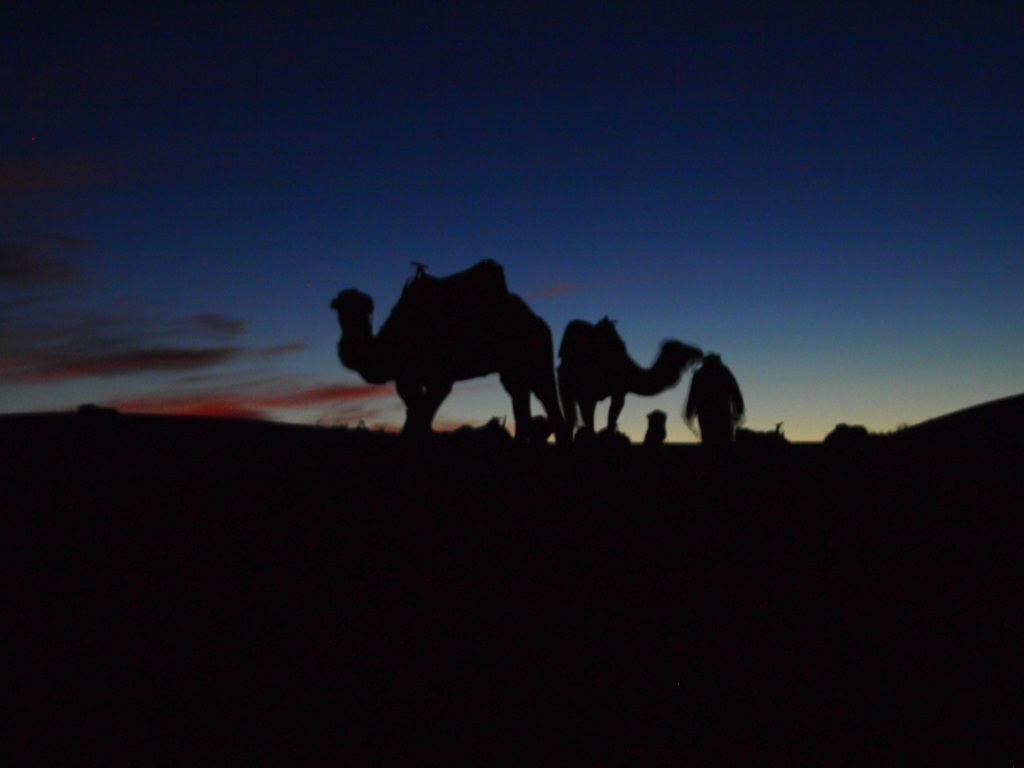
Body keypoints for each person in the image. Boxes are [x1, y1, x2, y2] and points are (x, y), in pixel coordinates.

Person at [684, 354, 744, 446]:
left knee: (708, 438)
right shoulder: (724, 372)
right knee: (725, 438)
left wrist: (689, 412)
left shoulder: (700, 374)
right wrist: (739, 409)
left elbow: (692, 395)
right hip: (723, 412)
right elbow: (735, 391)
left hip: (705, 412)